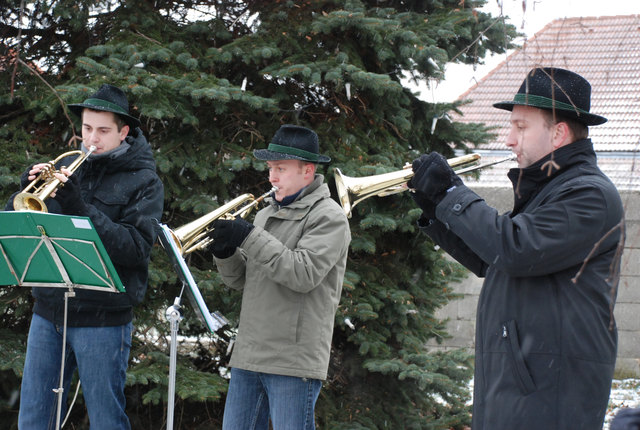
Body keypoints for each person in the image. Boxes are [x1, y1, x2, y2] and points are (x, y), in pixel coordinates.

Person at [408, 67, 624, 429]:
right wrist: (436, 210)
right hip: (523, 387)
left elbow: (516, 248)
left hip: (549, 394)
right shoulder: (550, 192)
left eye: (521, 127)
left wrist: (450, 194)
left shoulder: (589, 195)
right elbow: (492, 259)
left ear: (558, 133)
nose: (509, 139)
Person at [6, 84, 164, 429]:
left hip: (103, 318)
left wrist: (81, 208)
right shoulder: (66, 168)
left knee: (106, 420)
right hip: (49, 312)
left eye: (103, 130)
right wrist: (24, 191)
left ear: (124, 132)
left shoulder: (144, 181)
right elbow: (20, 227)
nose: (91, 139)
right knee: (33, 418)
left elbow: (136, 249)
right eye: (87, 128)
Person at [207, 124, 351, 429]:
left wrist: (247, 236)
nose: (271, 177)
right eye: (271, 168)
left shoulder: (329, 217)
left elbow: (303, 273)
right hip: (249, 354)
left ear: (307, 172)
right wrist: (224, 253)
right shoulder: (265, 214)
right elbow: (243, 281)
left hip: (292, 361)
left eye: (281, 169)